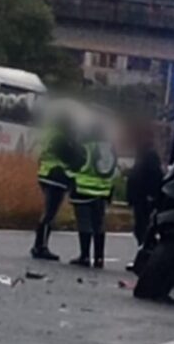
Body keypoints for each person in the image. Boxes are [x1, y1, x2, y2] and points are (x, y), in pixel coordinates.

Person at [31, 115, 83, 261]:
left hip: (46, 173)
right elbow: (71, 157)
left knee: (48, 212)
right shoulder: (61, 138)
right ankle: (41, 247)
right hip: (56, 177)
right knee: (49, 214)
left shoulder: (49, 134)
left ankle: (39, 245)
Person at [69, 124, 118, 269]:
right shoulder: (111, 149)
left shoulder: (86, 148)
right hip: (103, 192)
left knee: (85, 224)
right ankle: (99, 258)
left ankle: (84, 256)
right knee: (99, 225)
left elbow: (76, 166)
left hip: (84, 190)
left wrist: (70, 178)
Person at [126, 132, 163, 247]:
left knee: (144, 227)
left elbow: (154, 176)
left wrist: (152, 195)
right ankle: (145, 248)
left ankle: (147, 250)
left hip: (145, 197)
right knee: (141, 227)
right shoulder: (142, 154)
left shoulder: (150, 155)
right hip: (139, 197)